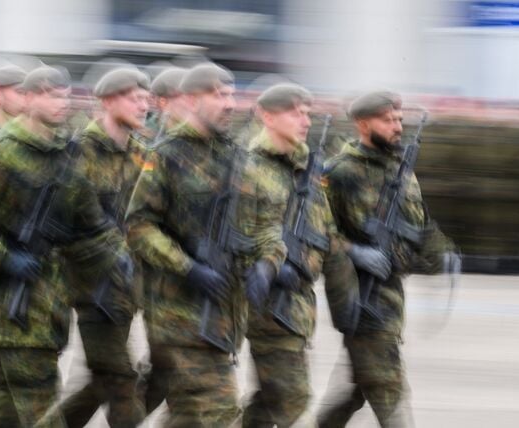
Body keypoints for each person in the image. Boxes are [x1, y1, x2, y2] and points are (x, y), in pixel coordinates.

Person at [0, 66, 131, 427]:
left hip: (52, 302)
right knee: (40, 402)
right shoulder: (3, 152)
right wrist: (4, 257)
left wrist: (120, 256)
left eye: (64, 94)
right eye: (50, 94)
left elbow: (90, 223)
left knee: (9, 406)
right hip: (11, 302)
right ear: (28, 99)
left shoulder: (68, 154)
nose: (61, 102)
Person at [318, 91, 458, 428]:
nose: (397, 126)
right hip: (358, 299)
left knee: (357, 390)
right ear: (363, 124)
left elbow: (421, 225)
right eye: (387, 120)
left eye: (398, 119)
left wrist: (443, 254)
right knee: (390, 392)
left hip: (391, 298)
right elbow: (315, 231)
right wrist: (354, 252)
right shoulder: (339, 173)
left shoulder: (402, 171)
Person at [124, 63, 245, 426]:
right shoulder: (166, 154)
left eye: (231, 94)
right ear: (193, 100)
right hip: (178, 312)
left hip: (223, 311)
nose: (230, 104)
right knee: (220, 413)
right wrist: (187, 266)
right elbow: (138, 226)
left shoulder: (235, 155)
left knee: (190, 415)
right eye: (219, 94)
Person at [234, 83, 352, 428]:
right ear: (267, 116)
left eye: (307, 113)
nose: (304, 120)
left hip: (299, 305)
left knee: (271, 398)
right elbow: (235, 234)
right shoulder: (247, 168)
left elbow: (325, 233)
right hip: (264, 302)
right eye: (294, 112)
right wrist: (267, 268)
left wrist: (346, 298)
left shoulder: (309, 171)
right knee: (292, 397)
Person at [53, 67, 151, 428]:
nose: (144, 105)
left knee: (100, 382)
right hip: (92, 289)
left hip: (128, 289)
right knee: (121, 382)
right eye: (134, 98)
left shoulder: (142, 154)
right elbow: (69, 223)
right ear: (108, 101)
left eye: (146, 99)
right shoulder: (79, 152)